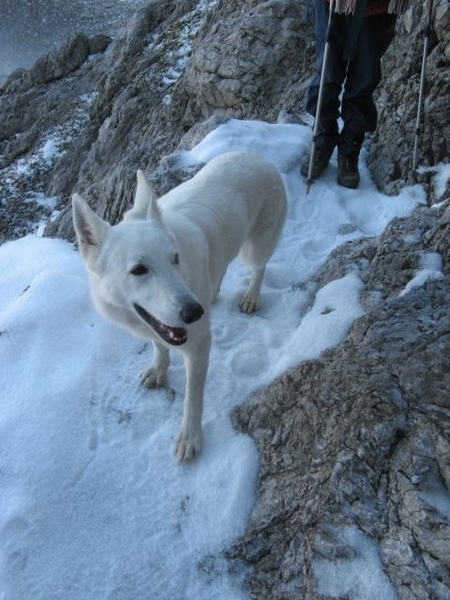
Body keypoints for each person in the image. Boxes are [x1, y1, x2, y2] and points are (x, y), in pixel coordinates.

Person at [302, 0, 411, 188]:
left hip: (379, 7)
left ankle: (350, 147)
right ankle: (323, 139)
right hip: (333, 4)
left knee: (364, 78)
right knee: (328, 73)